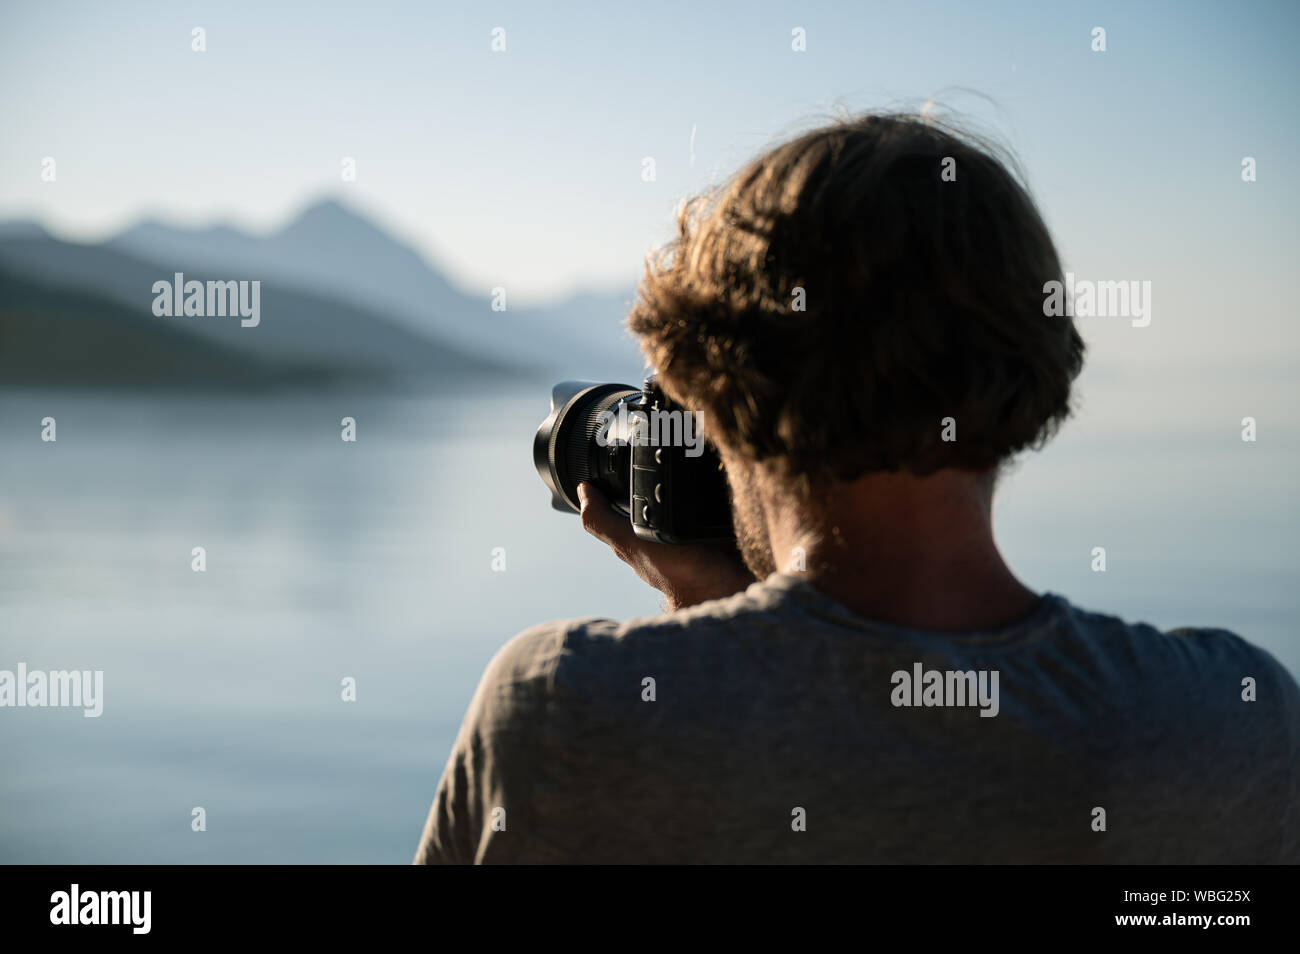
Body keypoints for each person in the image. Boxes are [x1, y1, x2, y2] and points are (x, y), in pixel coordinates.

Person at [414, 113, 1299, 864]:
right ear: (1030, 367)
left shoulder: (562, 711)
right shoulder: (1230, 717)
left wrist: (706, 634)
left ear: (712, 395)